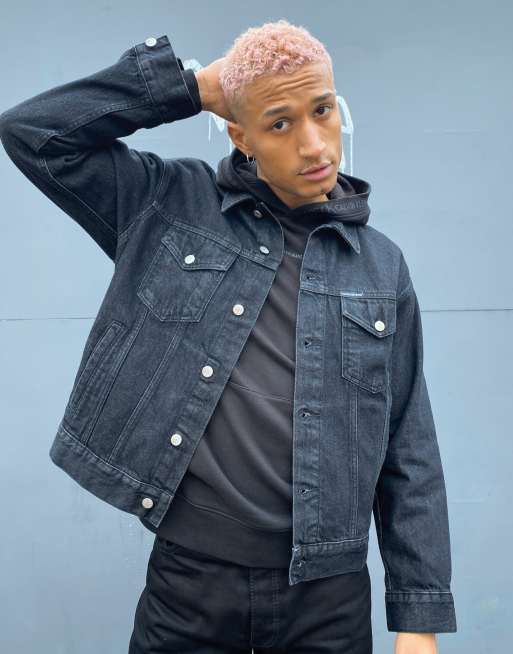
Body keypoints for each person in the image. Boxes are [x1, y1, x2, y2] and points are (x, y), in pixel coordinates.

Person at [0, 18, 456, 654]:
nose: (314, 144)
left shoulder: (382, 265)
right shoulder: (169, 204)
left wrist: (418, 617)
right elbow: (34, 133)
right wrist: (189, 88)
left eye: (322, 110)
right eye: (279, 123)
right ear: (240, 135)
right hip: (191, 584)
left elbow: (409, 445)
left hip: (328, 599)